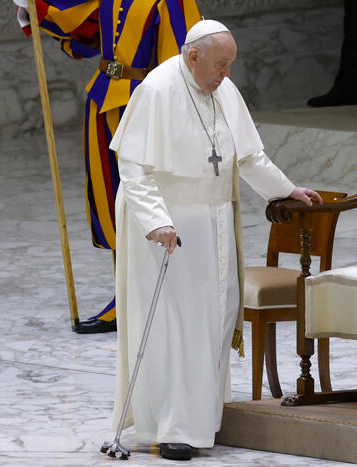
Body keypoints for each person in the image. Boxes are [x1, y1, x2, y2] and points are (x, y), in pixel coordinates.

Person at [109, 20, 322, 461]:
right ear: (193, 57)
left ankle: (203, 419)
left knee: (216, 317)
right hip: (170, 227)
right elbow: (134, 170)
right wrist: (156, 222)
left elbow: (249, 156)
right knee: (178, 324)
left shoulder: (221, 88)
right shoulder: (157, 89)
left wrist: (286, 190)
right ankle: (171, 426)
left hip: (217, 222)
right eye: (220, 65)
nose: (225, 74)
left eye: (229, 65)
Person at [14, 0, 201, 333]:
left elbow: (184, 63)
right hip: (103, 99)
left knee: (151, 201)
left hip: (146, 107)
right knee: (111, 199)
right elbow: (85, 33)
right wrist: (36, 8)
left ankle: (163, 294)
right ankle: (127, 295)